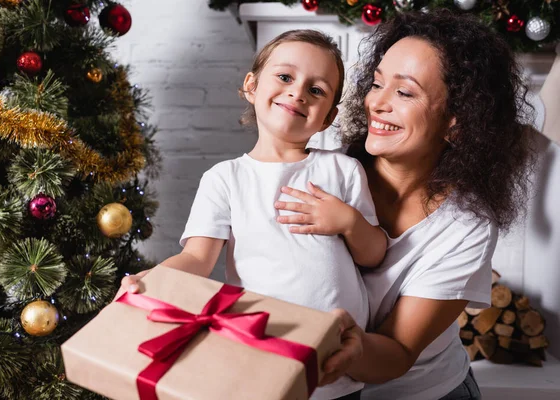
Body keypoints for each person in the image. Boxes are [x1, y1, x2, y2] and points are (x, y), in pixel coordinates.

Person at [275, 10, 534, 400]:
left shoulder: (467, 226)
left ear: (457, 121)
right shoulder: (327, 170)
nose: (377, 103)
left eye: (405, 92)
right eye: (377, 83)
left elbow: (398, 353)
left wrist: (351, 349)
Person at [117, 29, 387, 400]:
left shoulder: (341, 171)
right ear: (251, 85)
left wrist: (348, 223)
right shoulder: (225, 179)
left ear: (328, 117)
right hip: (261, 348)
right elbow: (197, 257)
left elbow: (374, 255)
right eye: (286, 77)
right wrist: (153, 279)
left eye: (317, 90)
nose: (298, 93)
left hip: (334, 356)